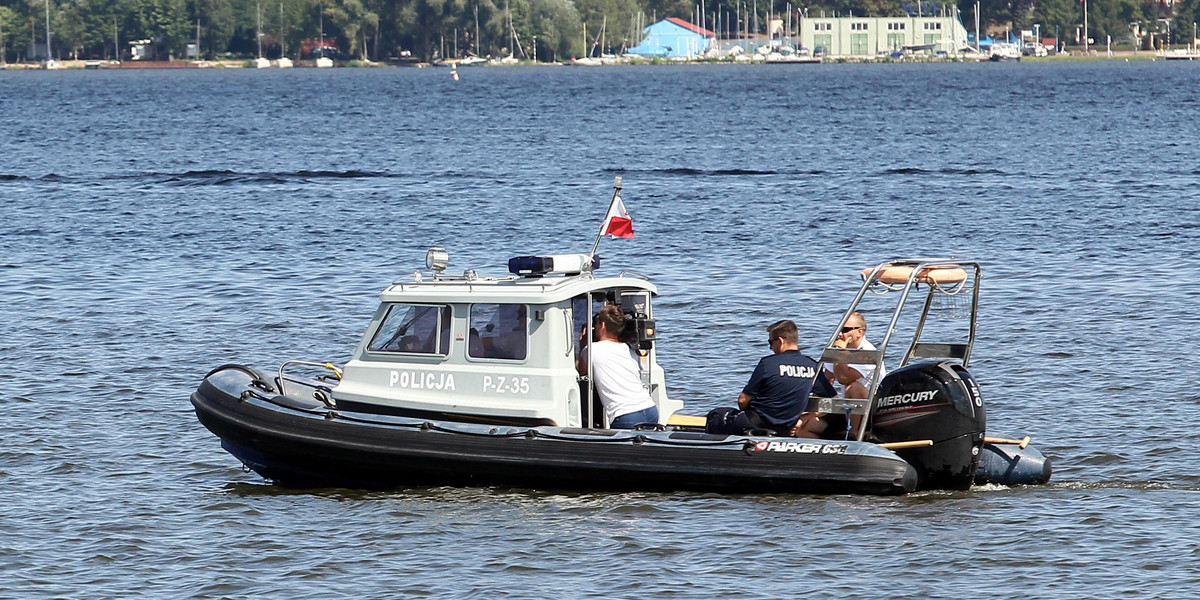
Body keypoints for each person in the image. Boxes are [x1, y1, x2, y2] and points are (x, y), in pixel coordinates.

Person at [707, 320, 835, 437]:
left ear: (780, 341)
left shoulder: (768, 363)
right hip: (785, 428)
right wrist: (805, 418)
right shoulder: (812, 366)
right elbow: (833, 402)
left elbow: (742, 400)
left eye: (770, 342)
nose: (770, 348)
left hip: (756, 423)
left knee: (716, 415)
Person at [576, 304, 659, 429]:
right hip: (649, 409)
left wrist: (583, 345)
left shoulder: (592, 350)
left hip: (626, 415)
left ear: (602, 325)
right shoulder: (628, 348)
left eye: (596, 324)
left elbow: (582, 372)